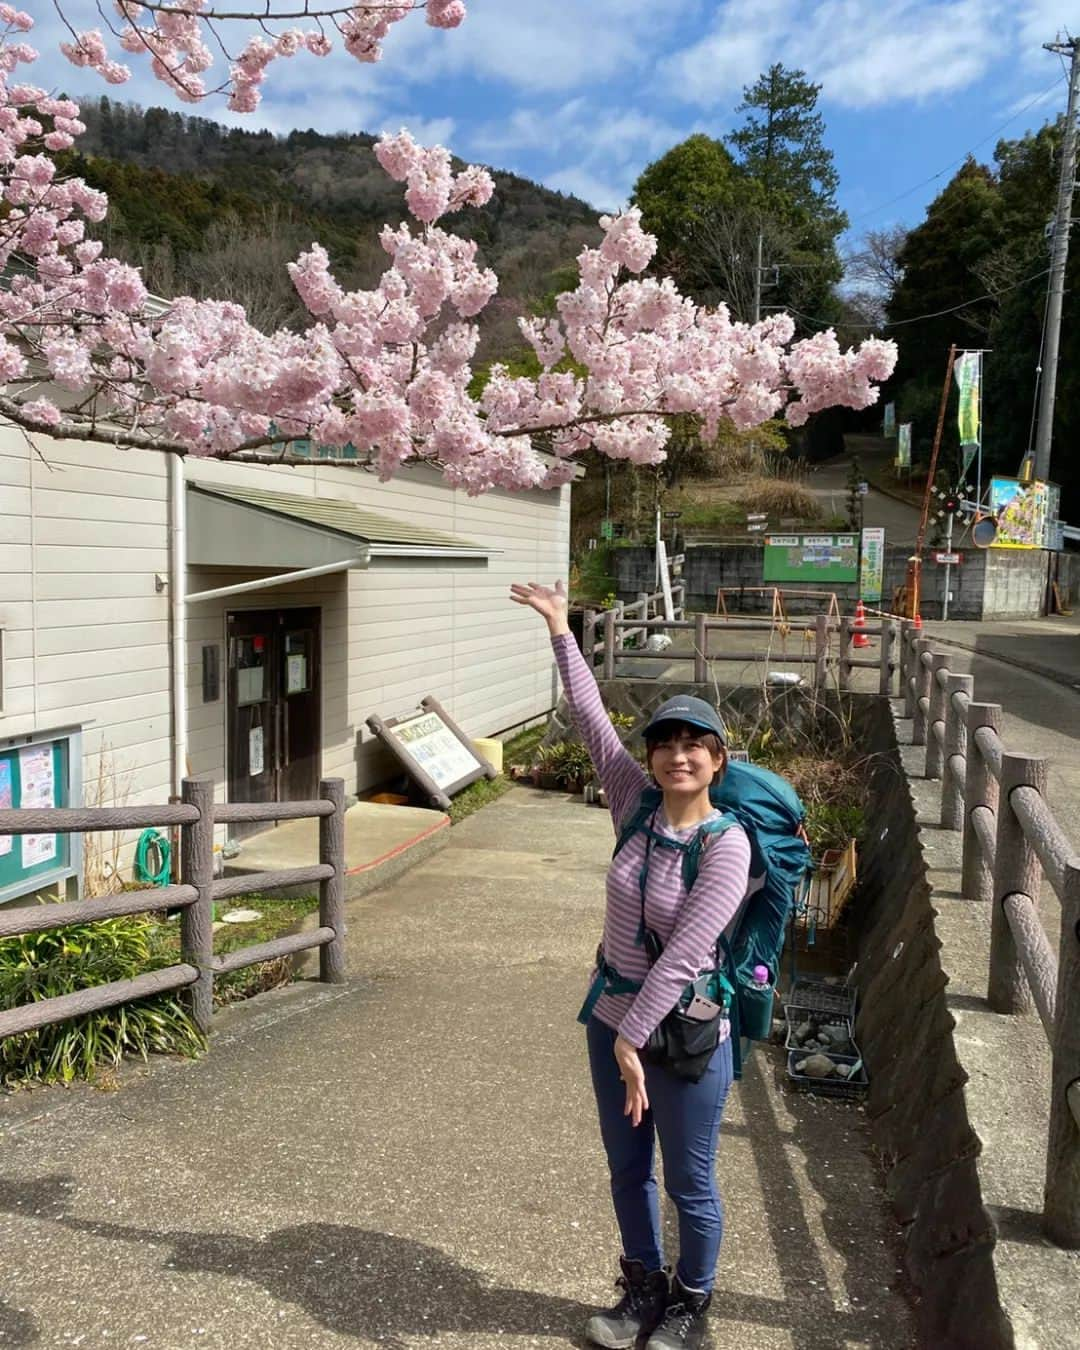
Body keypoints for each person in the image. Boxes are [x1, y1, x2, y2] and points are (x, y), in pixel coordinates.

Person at [510, 580, 752, 1350]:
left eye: (695, 746)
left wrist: (630, 1038)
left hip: (683, 1036)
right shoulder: (634, 805)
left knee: (689, 1181)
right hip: (612, 1019)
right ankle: (642, 1287)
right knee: (626, 1172)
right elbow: (590, 721)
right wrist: (559, 630)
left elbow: (687, 953)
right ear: (650, 758)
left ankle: (690, 1303)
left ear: (716, 761)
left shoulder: (727, 844)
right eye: (665, 744)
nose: (678, 755)